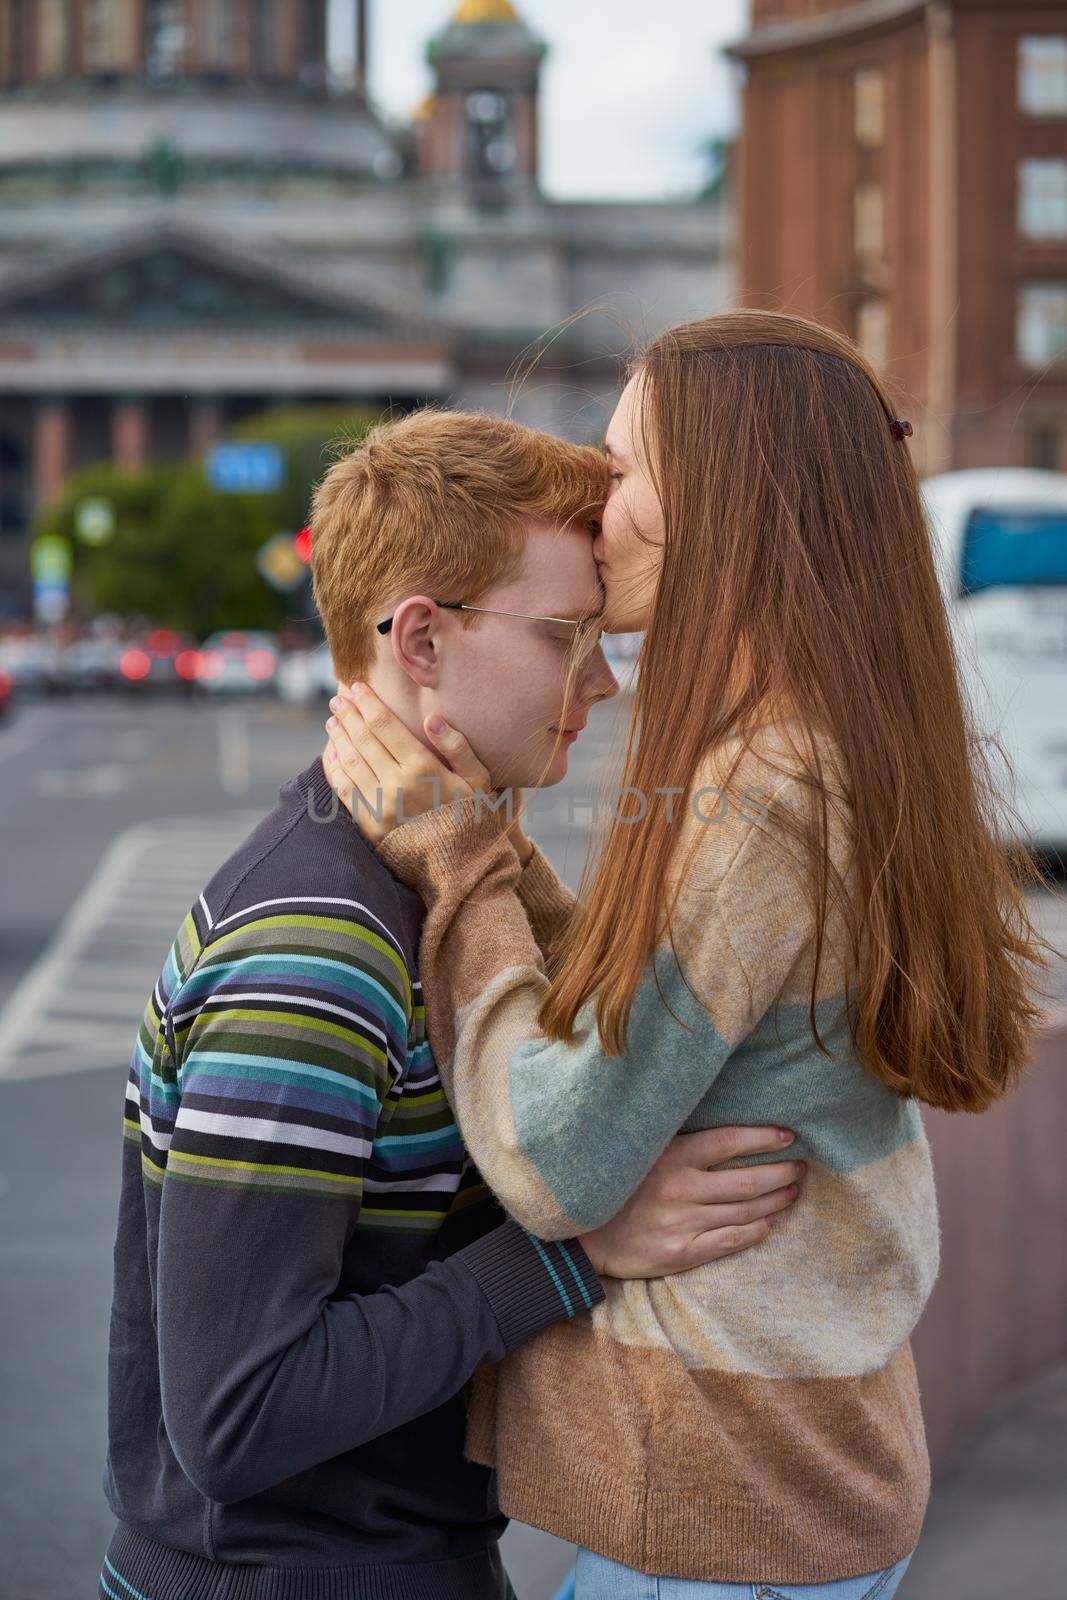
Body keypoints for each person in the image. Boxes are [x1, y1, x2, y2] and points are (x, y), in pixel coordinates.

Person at [322, 310, 1056, 1600]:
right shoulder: (825, 738)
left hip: (729, 1508)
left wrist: (457, 860)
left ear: (722, 501)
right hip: (799, 1474)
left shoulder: (762, 790)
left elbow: (557, 1154)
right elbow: (653, 1003)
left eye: (625, 466)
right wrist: (490, 842)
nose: (597, 504)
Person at [97, 408, 806, 1600]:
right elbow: (236, 1414)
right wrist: (571, 1256)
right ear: (421, 637)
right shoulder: (315, 947)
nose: (601, 679)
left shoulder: (416, 879)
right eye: (568, 635)